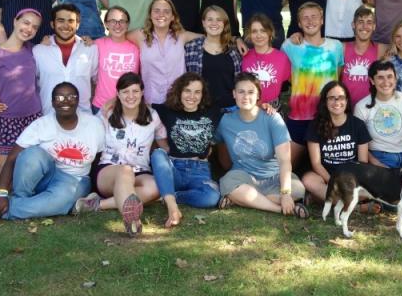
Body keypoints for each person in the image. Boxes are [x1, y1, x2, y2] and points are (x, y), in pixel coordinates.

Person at [0, 83, 105, 220]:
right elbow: (12, 158)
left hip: (74, 180)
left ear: (78, 101)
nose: (65, 101)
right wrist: (0, 193)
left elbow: (99, 159)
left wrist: (97, 189)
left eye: (71, 97)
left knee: (61, 200)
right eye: (59, 97)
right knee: (32, 154)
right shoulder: (41, 125)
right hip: (47, 175)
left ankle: (3, 210)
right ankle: (19, 198)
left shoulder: (94, 125)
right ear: (52, 102)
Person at [74, 73, 167, 236]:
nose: (131, 96)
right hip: (109, 170)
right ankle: (132, 220)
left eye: (135, 91)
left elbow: (163, 143)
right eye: (125, 91)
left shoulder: (153, 116)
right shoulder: (106, 114)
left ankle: (97, 204)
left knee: (157, 186)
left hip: (140, 170)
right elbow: (89, 137)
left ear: (142, 92)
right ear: (117, 94)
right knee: (125, 171)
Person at [213, 73, 307, 217]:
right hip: (244, 177)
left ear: (258, 96)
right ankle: (280, 208)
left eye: (251, 92)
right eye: (241, 92)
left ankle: (242, 200)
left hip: (274, 177)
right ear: (234, 94)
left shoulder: (272, 118)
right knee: (227, 182)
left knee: (297, 189)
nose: (245, 97)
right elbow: (215, 142)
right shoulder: (225, 121)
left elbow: (284, 160)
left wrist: (286, 193)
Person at [150, 73, 222, 227]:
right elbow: (138, 105)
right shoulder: (166, 110)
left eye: (197, 92)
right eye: (187, 91)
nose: (192, 96)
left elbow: (240, 106)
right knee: (157, 154)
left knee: (212, 197)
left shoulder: (213, 111)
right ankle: (172, 207)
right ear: (179, 92)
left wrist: (263, 105)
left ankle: (172, 196)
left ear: (203, 94)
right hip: (174, 168)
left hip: (200, 170)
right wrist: (113, 100)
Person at [0, 9, 44, 175]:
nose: (29, 29)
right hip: (5, 123)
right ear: (15, 21)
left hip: (32, 121)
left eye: (35, 27)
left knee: (29, 176)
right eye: (26, 23)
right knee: (6, 181)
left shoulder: (34, 51)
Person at [281, 2, 344, 165]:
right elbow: (285, 74)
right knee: (287, 165)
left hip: (327, 115)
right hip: (300, 114)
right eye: (305, 18)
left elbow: (338, 75)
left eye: (314, 16)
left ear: (322, 20)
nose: (310, 21)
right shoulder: (289, 46)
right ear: (299, 23)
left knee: (327, 165)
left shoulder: (335, 46)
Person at [302, 82, 372, 204]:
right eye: (331, 98)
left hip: (351, 178)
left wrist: (348, 183)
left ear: (347, 100)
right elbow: (316, 164)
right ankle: (354, 206)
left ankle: (322, 199)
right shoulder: (315, 125)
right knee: (308, 180)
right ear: (325, 101)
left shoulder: (358, 125)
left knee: (369, 189)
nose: (337, 102)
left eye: (341, 97)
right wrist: (334, 182)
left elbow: (363, 163)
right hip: (326, 177)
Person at [127, 0, 202, 105]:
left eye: (166, 11)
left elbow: (210, 37)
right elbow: (116, 35)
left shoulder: (182, 36)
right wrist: (92, 41)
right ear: (150, 15)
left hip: (179, 101)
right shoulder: (139, 35)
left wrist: (236, 39)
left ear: (172, 17)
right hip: (151, 102)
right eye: (156, 11)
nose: (161, 15)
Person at [354, 60, 402, 170]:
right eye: (380, 77)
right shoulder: (361, 106)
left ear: (395, 78)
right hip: (377, 158)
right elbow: (360, 144)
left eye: (389, 76)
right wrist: (378, 165)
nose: (386, 82)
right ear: (372, 81)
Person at [185, 5, 243, 110]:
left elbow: (239, 80)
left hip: (230, 108)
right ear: (203, 23)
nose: (214, 23)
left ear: (224, 23)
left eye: (218, 20)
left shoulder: (234, 50)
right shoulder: (191, 48)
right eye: (210, 19)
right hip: (201, 108)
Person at [92, 6, 140, 113]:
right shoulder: (97, 44)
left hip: (128, 106)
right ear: (106, 24)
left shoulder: (137, 48)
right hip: (101, 106)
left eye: (122, 21)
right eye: (113, 21)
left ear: (127, 25)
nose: (117, 25)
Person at [340, 6, 388, 106]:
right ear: (353, 25)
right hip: (345, 109)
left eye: (369, 22)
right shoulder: (342, 48)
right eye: (360, 22)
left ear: (374, 26)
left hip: (370, 108)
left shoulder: (381, 49)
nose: (364, 26)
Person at [241, 13, 291, 108]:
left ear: (270, 32)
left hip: (272, 107)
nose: (258, 35)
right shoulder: (244, 56)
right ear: (249, 34)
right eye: (254, 31)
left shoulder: (282, 58)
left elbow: (287, 79)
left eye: (263, 31)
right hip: (249, 106)